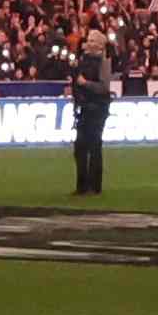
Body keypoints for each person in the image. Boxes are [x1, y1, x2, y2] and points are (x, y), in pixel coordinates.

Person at [68, 42, 110, 201]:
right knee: (80, 148)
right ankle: (82, 185)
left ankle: (94, 186)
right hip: (85, 108)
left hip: (98, 109)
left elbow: (104, 87)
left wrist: (85, 83)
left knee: (94, 147)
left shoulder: (103, 64)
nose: (87, 44)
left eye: (92, 41)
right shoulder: (82, 62)